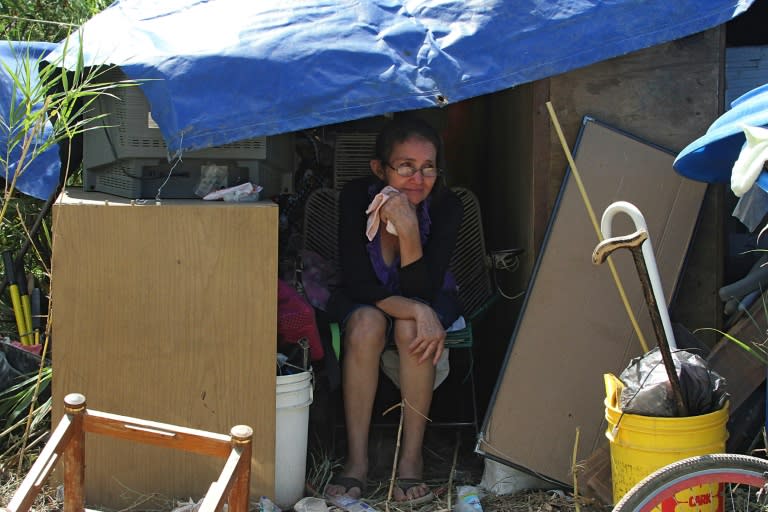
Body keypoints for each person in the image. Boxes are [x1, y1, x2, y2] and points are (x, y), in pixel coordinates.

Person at [325, 116, 463, 504]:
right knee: (367, 323)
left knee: (410, 329)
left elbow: (424, 287)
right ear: (379, 169)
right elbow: (358, 282)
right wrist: (418, 310)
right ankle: (357, 462)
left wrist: (408, 229)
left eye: (428, 167)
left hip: (431, 293)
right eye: (405, 167)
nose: (417, 179)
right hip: (365, 297)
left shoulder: (447, 206)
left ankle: (411, 460)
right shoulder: (356, 197)